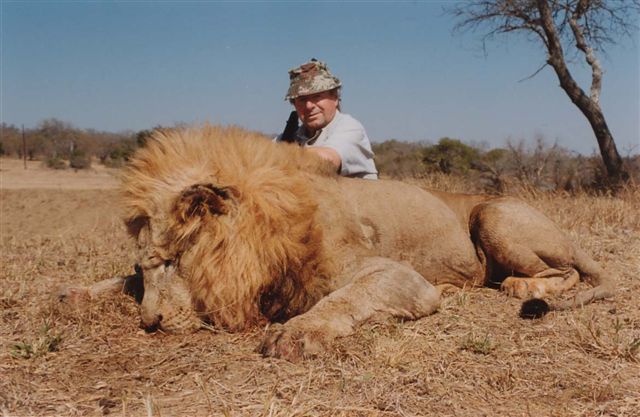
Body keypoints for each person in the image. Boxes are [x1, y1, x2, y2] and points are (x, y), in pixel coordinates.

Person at [277, 59, 378, 180]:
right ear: (294, 104)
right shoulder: (291, 136)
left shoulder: (349, 127)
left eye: (317, 96)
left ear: (335, 98)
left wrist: (276, 157)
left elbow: (328, 160)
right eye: (302, 99)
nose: (309, 105)